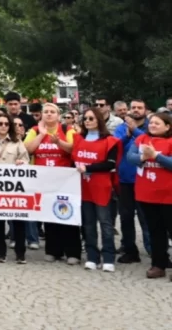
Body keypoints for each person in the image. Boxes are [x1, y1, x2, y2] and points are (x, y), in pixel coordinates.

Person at [25, 102, 78, 264]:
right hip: (44, 180)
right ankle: (53, 250)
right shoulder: (35, 130)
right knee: (49, 215)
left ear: (58, 115)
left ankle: (72, 252)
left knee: (68, 214)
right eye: (46, 111)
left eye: (52, 112)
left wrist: (59, 143)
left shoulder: (67, 130)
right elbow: (27, 149)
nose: (48, 114)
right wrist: (41, 135)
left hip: (65, 179)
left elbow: (74, 148)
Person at [72, 106, 121, 272]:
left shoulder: (110, 141)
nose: (87, 121)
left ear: (99, 120)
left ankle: (108, 256)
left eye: (91, 118)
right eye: (85, 118)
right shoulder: (78, 139)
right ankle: (92, 256)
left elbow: (110, 164)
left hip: (101, 187)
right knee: (88, 224)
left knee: (106, 224)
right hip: (83, 187)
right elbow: (73, 160)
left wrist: (88, 168)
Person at [125, 111, 172, 280]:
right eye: (151, 122)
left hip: (169, 194)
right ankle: (158, 264)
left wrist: (156, 156)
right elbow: (130, 157)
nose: (152, 125)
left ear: (167, 127)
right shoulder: (141, 139)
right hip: (147, 194)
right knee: (155, 231)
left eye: (157, 123)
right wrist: (143, 157)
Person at [0, 113, 30, 264]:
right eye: (0, 123)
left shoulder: (17, 142)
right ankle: (1, 252)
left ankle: (20, 253)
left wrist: (22, 162)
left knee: (18, 222)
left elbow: (26, 160)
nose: (3, 126)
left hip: (15, 188)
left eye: (6, 124)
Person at [114, 101, 150, 263]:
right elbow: (115, 146)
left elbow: (148, 143)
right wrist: (127, 135)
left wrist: (134, 131)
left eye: (139, 108)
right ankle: (130, 250)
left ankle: (154, 250)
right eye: (133, 107)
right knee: (126, 217)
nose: (136, 110)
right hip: (126, 179)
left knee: (147, 217)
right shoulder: (121, 128)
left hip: (147, 180)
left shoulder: (152, 126)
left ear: (145, 110)